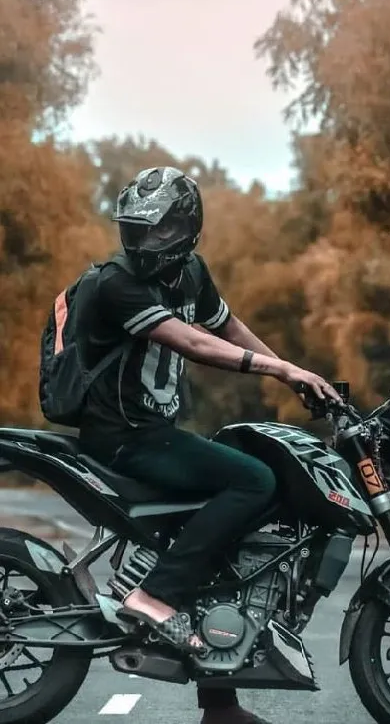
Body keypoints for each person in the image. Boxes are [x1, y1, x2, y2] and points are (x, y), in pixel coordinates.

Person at [79, 165, 341, 724]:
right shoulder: (116, 283)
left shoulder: (190, 273)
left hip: (154, 431)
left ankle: (220, 705)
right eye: (137, 230)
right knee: (254, 479)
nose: (146, 242)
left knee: (231, 520)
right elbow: (193, 343)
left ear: (186, 227)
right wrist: (277, 369)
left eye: (158, 230)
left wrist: (291, 371)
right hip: (125, 436)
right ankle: (153, 596)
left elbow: (227, 327)